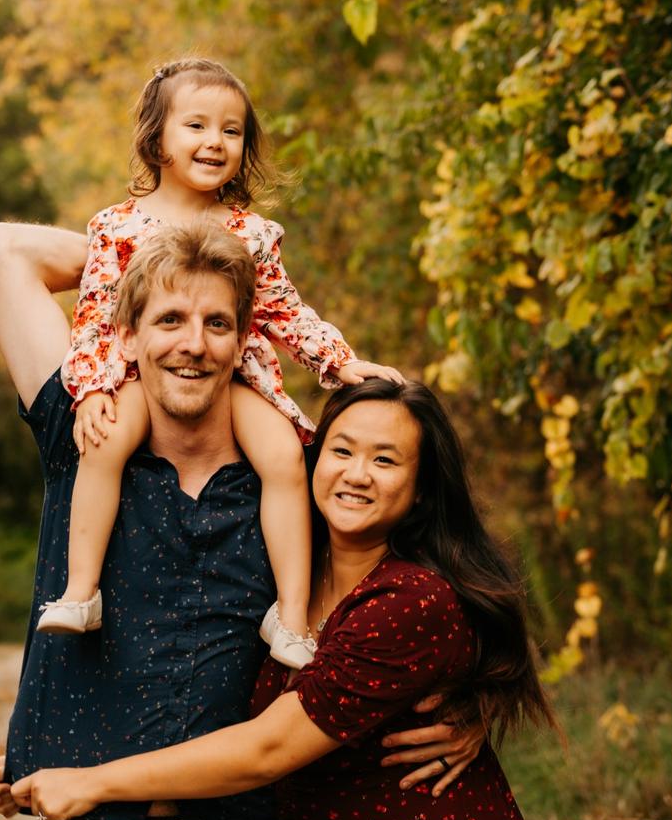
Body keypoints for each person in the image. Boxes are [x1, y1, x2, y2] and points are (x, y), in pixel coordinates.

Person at [0, 216, 481, 820]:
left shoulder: (294, 471)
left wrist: (474, 690)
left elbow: (429, 579)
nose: (193, 345)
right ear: (127, 335)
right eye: (169, 321)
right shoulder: (85, 428)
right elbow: (8, 248)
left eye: (217, 323)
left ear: (246, 339)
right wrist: (158, 241)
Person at [13, 378, 568, 820]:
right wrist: (39, 748)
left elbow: (267, 747)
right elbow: (190, 670)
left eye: (386, 460)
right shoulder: (286, 572)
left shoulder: (407, 599)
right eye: (341, 450)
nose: (357, 474)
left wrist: (90, 778)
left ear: (421, 489)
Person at [40, 57, 401, 670]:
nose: (215, 142)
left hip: (235, 376)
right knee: (101, 446)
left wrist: (340, 364)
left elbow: (284, 311)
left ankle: (290, 618)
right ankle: (81, 591)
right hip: (141, 376)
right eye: (197, 126)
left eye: (231, 132)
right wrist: (94, 388)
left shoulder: (251, 233)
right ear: (158, 139)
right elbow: (98, 315)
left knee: (285, 457)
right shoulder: (119, 227)